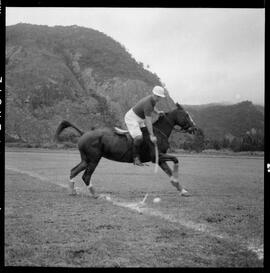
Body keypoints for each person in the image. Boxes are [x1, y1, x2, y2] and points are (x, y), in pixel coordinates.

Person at [124, 85, 166, 166]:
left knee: (145, 135)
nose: (159, 99)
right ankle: (135, 158)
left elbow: (153, 107)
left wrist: (157, 112)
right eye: (158, 96)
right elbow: (148, 121)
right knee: (139, 137)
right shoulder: (148, 104)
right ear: (154, 94)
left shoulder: (152, 100)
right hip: (132, 118)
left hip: (140, 119)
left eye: (160, 97)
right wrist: (152, 135)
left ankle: (143, 154)